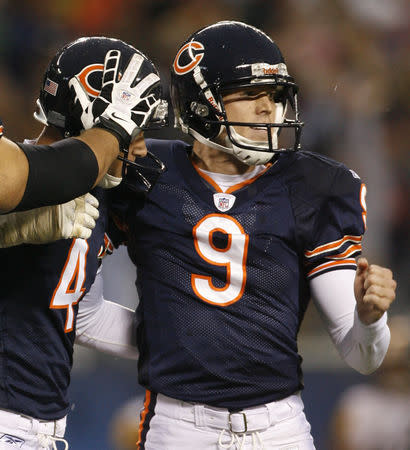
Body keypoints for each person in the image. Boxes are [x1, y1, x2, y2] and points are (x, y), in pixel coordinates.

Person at [108, 21, 397, 449]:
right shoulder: (148, 173)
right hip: (179, 423)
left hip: (278, 427)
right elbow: (75, 298)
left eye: (275, 95)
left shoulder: (313, 185)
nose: (268, 108)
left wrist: (371, 320)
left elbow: (363, 355)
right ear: (200, 104)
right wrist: (163, 337)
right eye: (249, 94)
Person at [0, 36, 166, 449]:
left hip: (40, 423)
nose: (142, 146)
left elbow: (81, 313)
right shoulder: (9, 179)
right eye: (135, 129)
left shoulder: (98, 199)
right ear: (94, 116)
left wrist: (177, 337)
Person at [328, 314, 410, 450]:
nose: (395, 367)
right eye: (390, 357)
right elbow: (339, 443)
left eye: (400, 361)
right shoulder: (357, 401)